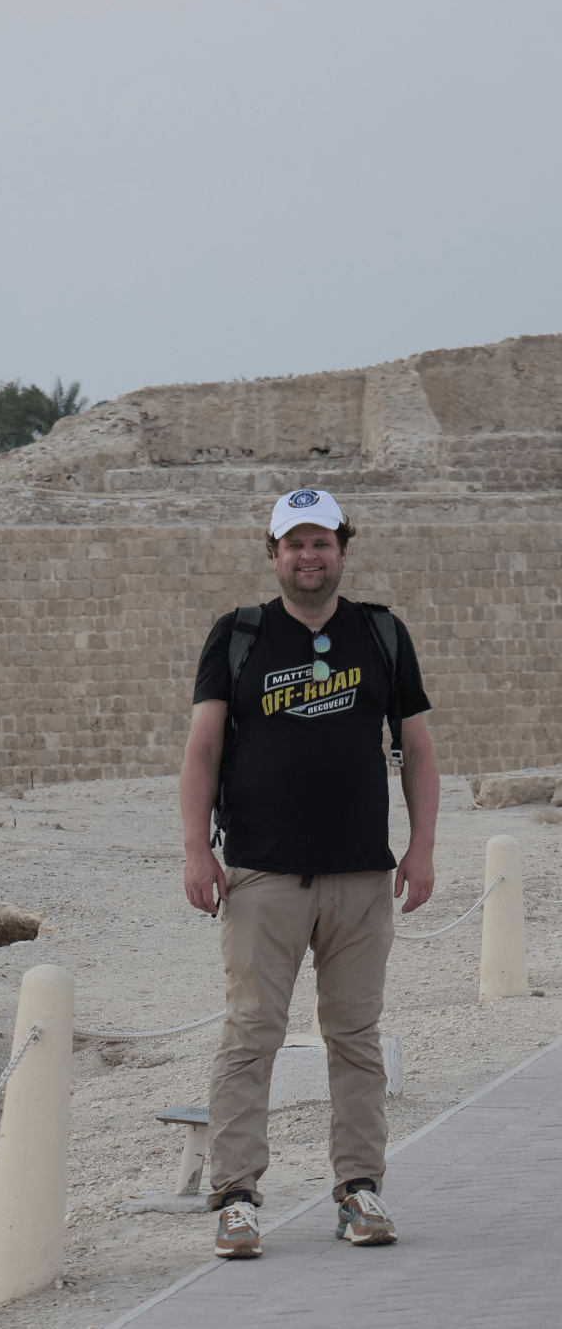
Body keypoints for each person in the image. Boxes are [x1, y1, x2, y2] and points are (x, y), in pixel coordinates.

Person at [180, 488, 438, 1258]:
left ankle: (360, 1192)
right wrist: (198, 850)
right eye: (294, 544)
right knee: (249, 1038)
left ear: (342, 550)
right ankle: (236, 1198)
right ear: (273, 555)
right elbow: (202, 750)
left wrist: (421, 849)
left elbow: (418, 750)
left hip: (361, 875)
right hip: (262, 874)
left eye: (321, 542)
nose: (309, 556)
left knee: (355, 1039)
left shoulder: (382, 633)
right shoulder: (240, 635)